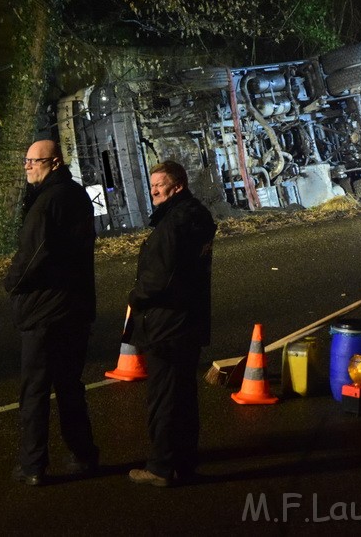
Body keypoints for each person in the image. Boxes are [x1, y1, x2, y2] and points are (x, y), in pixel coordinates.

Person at [4, 139, 100, 486]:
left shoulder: (47, 202)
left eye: (35, 161)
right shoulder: (76, 196)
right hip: (75, 307)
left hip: (45, 310)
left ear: (54, 162)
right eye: (26, 160)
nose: (28, 166)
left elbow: (33, 254)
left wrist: (11, 282)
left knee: (35, 390)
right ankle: (84, 454)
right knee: (70, 386)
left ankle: (32, 465)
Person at [127, 160, 216, 487]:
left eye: (158, 185)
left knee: (163, 399)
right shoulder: (200, 218)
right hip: (190, 322)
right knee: (184, 398)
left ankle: (161, 467)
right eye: (151, 186)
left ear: (176, 186)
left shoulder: (171, 225)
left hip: (165, 326)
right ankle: (185, 462)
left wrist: (136, 297)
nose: (153, 192)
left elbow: (157, 280)